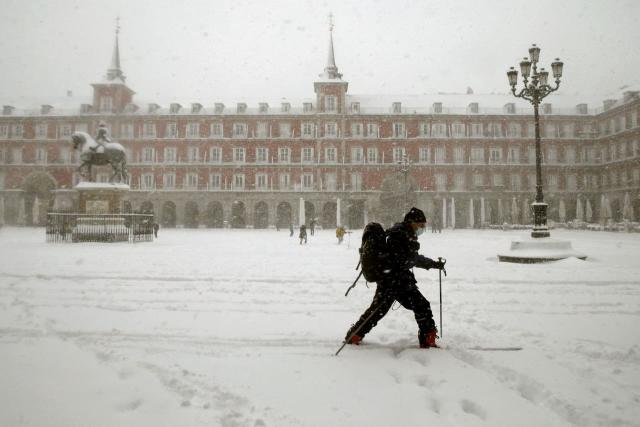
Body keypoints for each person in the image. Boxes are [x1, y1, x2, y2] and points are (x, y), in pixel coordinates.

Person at [344, 207, 445, 348]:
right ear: (412, 222)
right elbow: (403, 259)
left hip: (392, 279)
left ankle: (355, 334)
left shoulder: (403, 233)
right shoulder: (399, 235)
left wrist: (432, 264)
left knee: (378, 310)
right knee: (421, 306)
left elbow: (408, 258)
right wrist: (427, 262)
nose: (422, 228)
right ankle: (428, 339)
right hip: (395, 280)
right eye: (421, 225)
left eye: (424, 225)